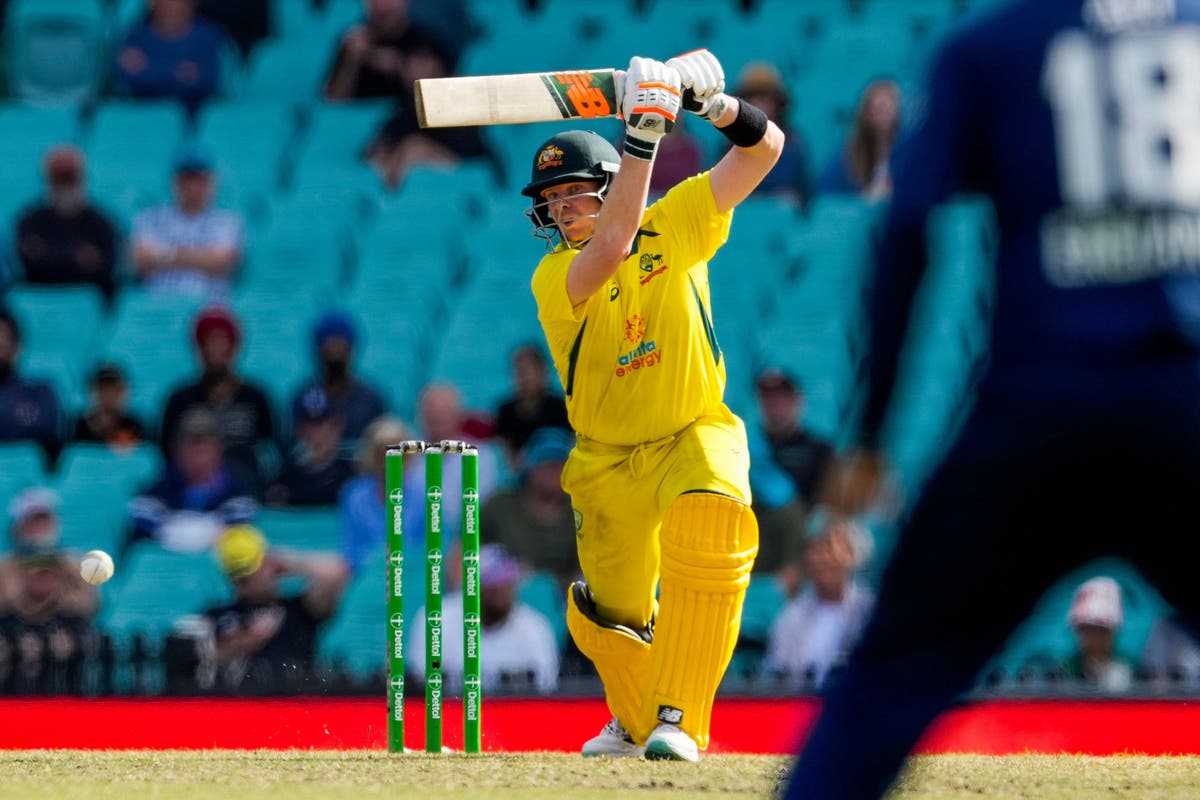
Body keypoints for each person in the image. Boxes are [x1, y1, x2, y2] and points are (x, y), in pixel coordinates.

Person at [784, 2, 1200, 797]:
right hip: (1181, 401)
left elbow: (907, 225)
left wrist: (873, 435)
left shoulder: (990, 46)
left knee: (880, 692)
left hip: (1034, 412)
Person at [522, 50, 783, 761]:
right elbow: (613, 244)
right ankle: (635, 721)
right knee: (610, 616)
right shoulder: (555, 276)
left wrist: (710, 103)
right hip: (606, 459)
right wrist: (644, 130)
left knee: (713, 522)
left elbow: (766, 149)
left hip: (692, 428)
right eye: (550, 202)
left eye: (572, 194)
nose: (558, 211)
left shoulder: (679, 221)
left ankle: (676, 716)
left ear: (607, 187)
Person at [205, 524, 349, 693]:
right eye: (241, 579)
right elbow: (191, 660)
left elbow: (337, 572)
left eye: (267, 566)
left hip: (298, 703)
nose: (243, 584)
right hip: (241, 706)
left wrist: (294, 564)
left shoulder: (300, 610)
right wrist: (247, 640)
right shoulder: (219, 615)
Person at [407, 543, 560, 695]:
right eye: (492, 586)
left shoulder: (534, 628)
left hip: (513, 715)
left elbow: (546, 687)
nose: (500, 593)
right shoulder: (438, 619)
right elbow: (420, 680)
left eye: (505, 584)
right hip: (451, 713)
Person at [161, 306, 276, 493]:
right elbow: (168, 454)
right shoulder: (180, 400)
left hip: (248, 489)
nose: (215, 350)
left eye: (221, 342)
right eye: (208, 342)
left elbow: (270, 452)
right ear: (198, 349)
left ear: (234, 347)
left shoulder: (256, 398)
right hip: (191, 489)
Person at [0, 488, 98, 694]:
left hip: (62, 631)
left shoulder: (71, 564)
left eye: (45, 520)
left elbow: (88, 604)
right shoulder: (6, 566)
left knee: (72, 642)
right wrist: (27, 592)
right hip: (13, 634)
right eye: (34, 521)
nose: (40, 529)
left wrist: (54, 592)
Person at [761, 513, 874, 689]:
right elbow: (776, 670)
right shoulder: (793, 614)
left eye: (830, 549)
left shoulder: (868, 609)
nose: (821, 558)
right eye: (815, 550)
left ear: (852, 557)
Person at [128, 407, 256, 554]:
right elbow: (143, 544)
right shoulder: (154, 494)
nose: (198, 457)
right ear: (177, 449)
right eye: (191, 446)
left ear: (219, 449)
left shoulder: (238, 495)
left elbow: (238, 542)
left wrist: (174, 530)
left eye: (205, 447)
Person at [131, 150, 244, 300]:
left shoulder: (227, 221)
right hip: (157, 306)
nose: (193, 187)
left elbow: (220, 262)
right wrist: (201, 256)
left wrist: (164, 254)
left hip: (208, 305)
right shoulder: (150, 218)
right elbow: (140, 259)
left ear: (212, 182)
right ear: (174, 182)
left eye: (200, 180)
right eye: (186, 179)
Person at [15, 145, 119, 302]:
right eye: (58, 179)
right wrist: (77, 258)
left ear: (82, 178)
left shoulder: (101, 223)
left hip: (88, 303)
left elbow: (104, 268)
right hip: (39, 300)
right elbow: (28, 265)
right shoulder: (29, 221)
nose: (64, 186)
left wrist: (49, 255)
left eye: (70, 178)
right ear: (47, 179)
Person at [480, 426, 578, 591]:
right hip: (508, 597)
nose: (553, 470)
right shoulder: (500, 505)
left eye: (559, 463)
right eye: (545, 462)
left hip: (567, 598)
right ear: (529, 467)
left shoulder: (582, 509)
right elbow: (463, 550)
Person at [290, 312, 386, 459]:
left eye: (341, 344)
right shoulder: (304, 396)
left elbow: (382, 446)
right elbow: (293, 449)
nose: (335, 351)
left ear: (352, 348)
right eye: (329, 344)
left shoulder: (371, 399)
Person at [323, 0, 453, 102]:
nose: (382, 4)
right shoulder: (352, 40)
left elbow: (448, 96)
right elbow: (334, 100)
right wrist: (351, 61)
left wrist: (404, 69)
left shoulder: (428, 41)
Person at [113, 0, 228, 114]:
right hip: (144, 117)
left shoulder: (209, 37)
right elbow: (125, 77)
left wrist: (150, 68)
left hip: (198, 119)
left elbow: (209, 79)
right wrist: (177, 73)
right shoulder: (136, 37)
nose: (171, 6)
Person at [730, 62, 814, 206]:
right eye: (751, 98)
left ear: (777, 104)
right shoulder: (728, 146)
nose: (758, 105)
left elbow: (803, 195)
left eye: (764, 98)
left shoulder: (793, 146)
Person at [266, 387, 355, 507]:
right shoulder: (286, 479)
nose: (315, 433)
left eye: (321, 424)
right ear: (298, 431)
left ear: (338, 426)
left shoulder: (354, 474)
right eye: (307, 425)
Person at [817, 79, 899, 200]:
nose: (881, 111)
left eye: (886, 105)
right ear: (865, 113)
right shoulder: (847, 153)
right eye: (876, 107)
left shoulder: (912, 153)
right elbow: (826, 194)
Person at [493, 343, 570, 466]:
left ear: (543, 372)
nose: (525, 378)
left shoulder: (560, 407)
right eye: (520, 371)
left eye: (529, 371)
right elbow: (504, 451)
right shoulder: (505, 411)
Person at [0, 308, 60, 460]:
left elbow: (44, 430)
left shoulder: (39, 393)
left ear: (17, 346)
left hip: (24, 473)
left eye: (3, 336)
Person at [1060, 576, 1134, 692]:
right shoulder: (1065, 667)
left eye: (1101, 630)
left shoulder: (1127, 667)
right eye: (1087, 629)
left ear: (1112, 632)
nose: (1094, 637)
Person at [73, 363, 145, 448]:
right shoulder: (74, 428)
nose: (108, 395)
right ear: (92, 392)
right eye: (103, 389)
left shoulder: (135, 428)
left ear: (123, 392)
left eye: (114, 390)